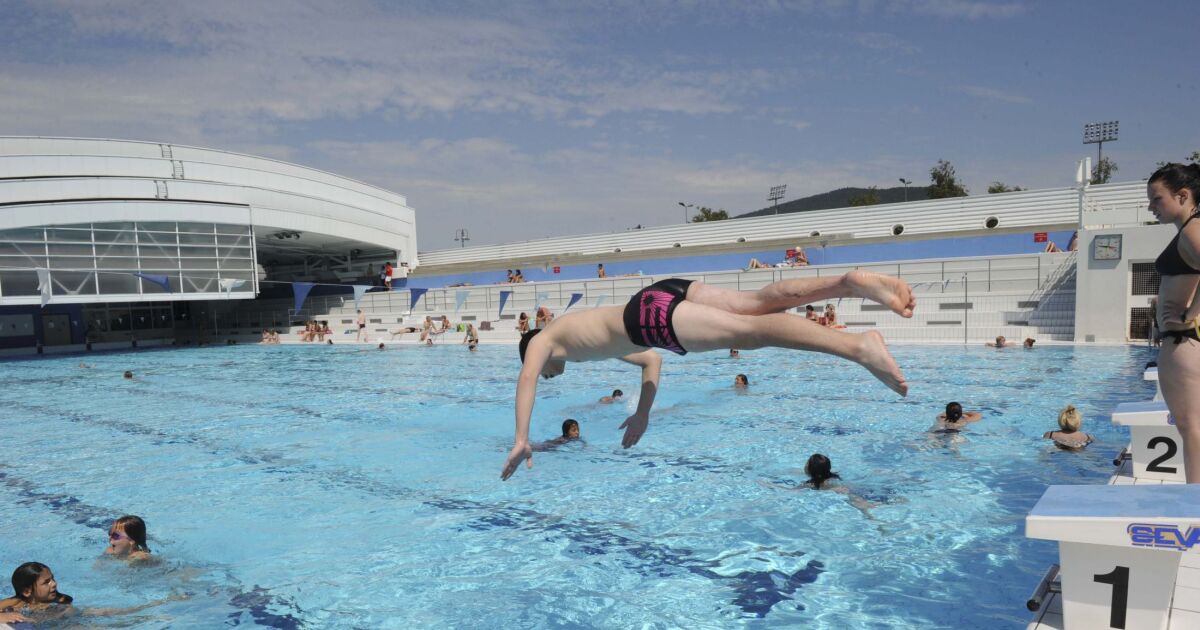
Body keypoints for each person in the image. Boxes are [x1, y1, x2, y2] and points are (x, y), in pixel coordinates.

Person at [502, 270, 915, 479]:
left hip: (646, 319)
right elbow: (652, 361)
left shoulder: (542, 341)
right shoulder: (579, 339)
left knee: (750, 332)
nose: (546, 376)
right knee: (754, 303)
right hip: (657, 295)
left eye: (540, 369)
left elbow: (527, 379)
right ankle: (847, 284)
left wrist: (522, 439)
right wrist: (642, 413)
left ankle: (857, 347)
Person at [1147, 162, 1200, 483]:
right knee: (1189, 426)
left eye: (1157, 199)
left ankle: (1195, 502)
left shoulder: (1193, 229)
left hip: (1183, 341)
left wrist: (1190, 313)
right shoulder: (1189, 230)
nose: (1151, 207)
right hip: (1181, 340)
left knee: (1191, 427)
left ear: (1182, 196)